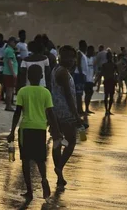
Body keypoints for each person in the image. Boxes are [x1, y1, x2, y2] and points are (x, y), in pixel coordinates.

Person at [7, 65, 62, 200]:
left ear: (28, 77)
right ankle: (44, 179)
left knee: (25, 160)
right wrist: (57, 131)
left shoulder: (23, 91)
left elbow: (17, 112)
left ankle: (29, 191)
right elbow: (51, 113)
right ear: (42, 77)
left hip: (26, 129)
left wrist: (12, 131)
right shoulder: (46, 92)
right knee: (40, 159)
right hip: (40, 129)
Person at [50, 45, 82, 188]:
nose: (70, 60)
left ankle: (60, 177)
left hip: (55, 112)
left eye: (72, 57)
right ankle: (60, 168)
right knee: (72, 142)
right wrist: (77, 115)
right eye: (67, 57)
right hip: (66, 114)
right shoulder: (63, 73)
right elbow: (68, 96)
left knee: (57, 143)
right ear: (61, 56)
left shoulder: (57, 69)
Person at [98, 51, 118, 115]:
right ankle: (108, 110)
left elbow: (101, 74)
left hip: (107, 81)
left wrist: (96, 81)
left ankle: (107, 110)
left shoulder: (105, 65)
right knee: (110, 96)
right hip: (111, 81)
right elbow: (117, 73)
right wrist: (116, 80)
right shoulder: (113, 65)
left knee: (107, 96)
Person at [3, 37, 19, 111]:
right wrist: (13, 73)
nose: (15, 44)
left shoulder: (9, 49)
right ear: (10, 42)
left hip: (8, 72)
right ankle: (8, 105)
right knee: (10, 90)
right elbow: (10, 62)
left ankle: (8, 104)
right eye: (14, 42)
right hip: (10, 73)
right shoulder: (9, 50)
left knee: (9, 89)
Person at [73, 40, 89, 114]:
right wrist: (81, 74)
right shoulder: (79, 53)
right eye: (85, 46)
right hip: (78, 75)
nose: (86, 48)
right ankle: (79, 110)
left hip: (82, 74)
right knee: (78, 93)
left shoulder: (83, 54)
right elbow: (78, 64)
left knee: (80, 93)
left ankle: (79, 109)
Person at [84, 45, 96, 114]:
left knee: (90, 93)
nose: (93, 52)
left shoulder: (92, 58)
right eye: (92, 51)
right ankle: (86, 109)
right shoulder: (85, 58)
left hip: (90, 79)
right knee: (87, 93)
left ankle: (87, 108)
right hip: (85, 80)